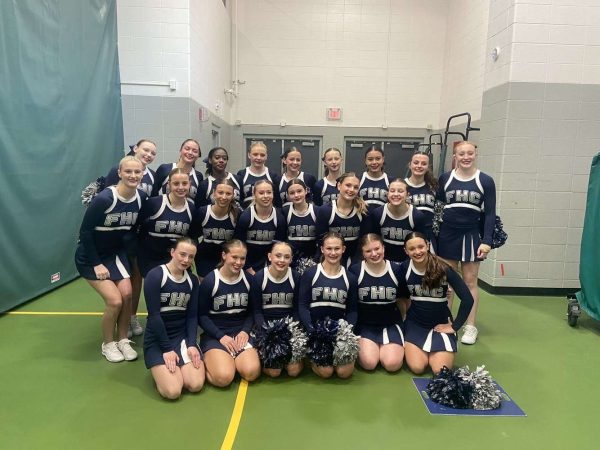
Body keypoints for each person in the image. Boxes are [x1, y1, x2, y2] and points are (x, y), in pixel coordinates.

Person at [74, 156, 146, 362]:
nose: (133, 176)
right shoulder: (104, 199)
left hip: (116, 254)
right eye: (129, 172)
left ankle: (123, 339)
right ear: (120, 173)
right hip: (91, 256)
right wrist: (96, 263)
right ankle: (108, 344)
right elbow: (85, 233)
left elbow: (133, 230)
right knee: (114, 301)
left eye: (137, 172)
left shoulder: (140, 197)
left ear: (142, 174)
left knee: (127, 295)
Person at [436, 141, 496, 345]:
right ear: (455, 156)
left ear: (475, 154)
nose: (466, 157)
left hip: (471, 235)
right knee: (447, 283)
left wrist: (487, 241)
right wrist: (434, 239)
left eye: (470, 153)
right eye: (461, 153)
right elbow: (438, 209)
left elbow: (490, 213)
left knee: (470, 281)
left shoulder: (485, 181)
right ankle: (447, 321)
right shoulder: (445, 178)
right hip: (447, 235)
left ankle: (470, 326)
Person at [399, 232, 474, 374]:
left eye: (421, 246)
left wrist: (455, 326)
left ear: (427, 245)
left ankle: (443, 346)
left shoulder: (443, 268)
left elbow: (468, 299)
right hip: (416, 324)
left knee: (440, 371)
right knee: (417, 367)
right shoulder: (404, 269)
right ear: (406, 251)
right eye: (412, 249)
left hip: (440, 324)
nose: (417, 252)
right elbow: (399, 295)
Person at [143, 238, 205, 399]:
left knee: (196, 384)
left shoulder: (192, 281)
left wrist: (191, 344)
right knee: (173, 392)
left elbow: (192, 316)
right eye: (182, 254)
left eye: (191, 257)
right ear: (172, 252)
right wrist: (166, 349)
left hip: (181, 337)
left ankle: (176, 368)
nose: (186, 260)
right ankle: (161, 370)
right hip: (158, 338)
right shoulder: (156, 276)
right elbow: (154, 316)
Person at [198, 240, 261, 387]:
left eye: (242, 258)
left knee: (251, 372)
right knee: (223, 378)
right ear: (224, 255)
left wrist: (245, 331)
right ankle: (211, 361)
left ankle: (231, 360)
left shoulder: (249, 280)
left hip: (240, 333)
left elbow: (253, 311)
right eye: (234, 257)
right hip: (216, 334)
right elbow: (202, 316)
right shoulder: (210, 281)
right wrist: (221, 337)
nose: (238, 262)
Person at [298, 232, 358, 379]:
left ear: (343, 249)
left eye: (337, 248)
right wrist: (312, 330)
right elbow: (302, 305)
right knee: (326, 372)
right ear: (322, 249)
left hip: (338, 332)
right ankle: (311, 355)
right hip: (316, 332)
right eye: (329, 248)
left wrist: (346, 333)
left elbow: (352, 310)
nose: (333, 253)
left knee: (344, 373)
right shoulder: (310, 274)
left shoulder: (350, 278)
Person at [349, 234, 404, 372]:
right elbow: (351, 303)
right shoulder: (355, 271)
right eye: (368, 251)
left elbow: (404, 299)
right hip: (365, 325)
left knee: (392, 364)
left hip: (391, 324)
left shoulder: (396, 269)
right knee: (369, 363)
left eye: (377, 248)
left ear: (383, 248)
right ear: (363, 253)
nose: (374, 254)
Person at [251, 242, 303, 377]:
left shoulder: (296, 277)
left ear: (291, 259)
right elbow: (256, 311)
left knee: (293, 371)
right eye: (278, 256)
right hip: (266, 330)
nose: (282, 260)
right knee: (274, 372)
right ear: (270, 256)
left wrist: (289, 331)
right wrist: (266, 333)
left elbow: (297, 310)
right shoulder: (259, 278)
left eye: (286, 257)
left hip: (288, 329)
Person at [316, 172, 370, 267]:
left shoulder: (363, 211)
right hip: (331, 258)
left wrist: (356, 264)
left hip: (355, 260)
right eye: (348, 185)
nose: (351, 190)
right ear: (339, 186)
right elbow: (321, 241)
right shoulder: (325, 211)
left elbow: (364, 241)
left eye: (356, 187)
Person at [234, 180, 286, 274]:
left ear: (273, 194)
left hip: (270, 267)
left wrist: (271, 269)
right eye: (261, 193)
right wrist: (248, 269)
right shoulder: (246, 217)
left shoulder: (279, 218)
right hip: (246, 266)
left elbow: (279, 248)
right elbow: (239, 246)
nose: (265, 196)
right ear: (254, 194)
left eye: (269, 192)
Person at [370, 178, 427, 263]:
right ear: (387, 194)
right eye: (392, 191)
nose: (396, 194)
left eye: (400, 191)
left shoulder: (417, 216)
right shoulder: (378, 214)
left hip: (408, 263)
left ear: (407, 195)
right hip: (383, 263)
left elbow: (420, 246)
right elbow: (373, 243)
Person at [192, 178, 238, 280]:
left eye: (228, 193)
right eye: (220, 192)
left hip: (227, 259)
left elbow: (239, 242)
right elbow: (192, 235)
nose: (224, 197)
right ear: (214, 193)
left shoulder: (237, 215)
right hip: (204, 259)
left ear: (233, 195)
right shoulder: (203, 212)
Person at [283, 179, 319, 268]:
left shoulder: (317, 211)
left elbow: (321, 239)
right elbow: (282, 240)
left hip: (313, 260)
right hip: (291, 261)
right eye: (292, 193)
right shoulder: (285, 211)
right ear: (288, 195)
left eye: (299, 191)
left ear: (306, 191)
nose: (296, 195)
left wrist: (315, 260)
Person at [237, 141, 281, 209]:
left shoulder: (273, 176)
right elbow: (239, 200)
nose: (259, 158)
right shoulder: (242, 174)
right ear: (249, 155)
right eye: (255, 154)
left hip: (267, 216)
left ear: (266, 156)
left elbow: (277, 202)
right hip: (247, 217)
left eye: (262, 155)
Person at [405, 150, 437, 240]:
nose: (419, 166)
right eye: (416, 163)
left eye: (423, 164)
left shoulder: (434, 187)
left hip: (429, 234)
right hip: (408, 233)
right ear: (410, 164)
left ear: (428, 167)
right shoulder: (402, 186)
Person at [359, 145, 389, 212]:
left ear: (383, 159)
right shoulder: (358, 180)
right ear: (365, 161)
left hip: (383, 221)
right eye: (370, 159)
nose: (374, 162)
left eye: (378, 159)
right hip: (362, 221)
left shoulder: (391, 181)